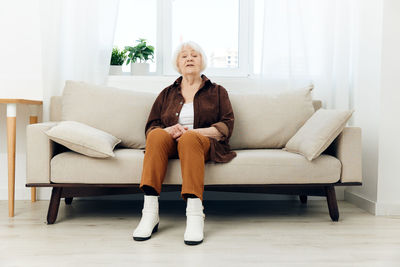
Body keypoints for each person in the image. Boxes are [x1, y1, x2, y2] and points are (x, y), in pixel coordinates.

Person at [132, 41, 236, 245]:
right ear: (178, 64)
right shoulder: (167, 93)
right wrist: (168, 130)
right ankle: (150, 213)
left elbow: (226, 126)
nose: (189, 58)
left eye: (194, 55)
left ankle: (195, 214)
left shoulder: (217, 91)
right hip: (171, 144)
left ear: (202, 61)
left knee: (189, 138)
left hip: (203, 143)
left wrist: (194, 133)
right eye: (184, 56)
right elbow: (151, 126)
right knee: (156, 136)